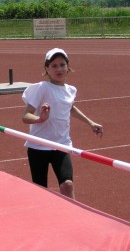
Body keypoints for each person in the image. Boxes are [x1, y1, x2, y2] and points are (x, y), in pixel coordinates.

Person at [21, 48, 103, 199]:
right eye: (54, 65)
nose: (59, 69)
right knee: (40, 190)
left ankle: (72, 216)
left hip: (61, 144)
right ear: (46, 69)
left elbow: (69, 107)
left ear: (68, 67)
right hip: (39, 146)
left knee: (67, 184)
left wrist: (90, 123)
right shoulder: (43, 88)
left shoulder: (71, 90)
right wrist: (40, 119)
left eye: (62, 64)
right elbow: (26, 116)